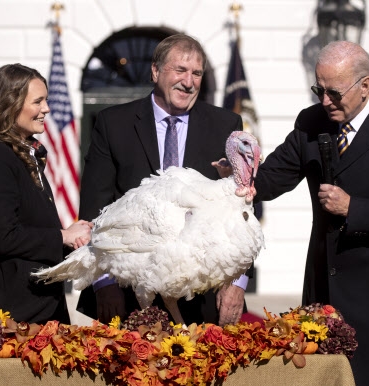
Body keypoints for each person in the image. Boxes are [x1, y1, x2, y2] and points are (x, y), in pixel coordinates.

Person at [247, 41, 369, 386]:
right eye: (319, 89)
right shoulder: (312, 122)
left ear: (364, 85)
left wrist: (354, 208)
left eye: (334, 92)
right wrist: (239, 177)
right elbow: (272, 178)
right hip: (324, 298)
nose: (324, 101)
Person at [76, 34, 252, 327]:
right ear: (155, 71)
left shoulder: (225, 126)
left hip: (202, 296)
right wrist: (103, 281)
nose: (189, 81)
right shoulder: (113, 124)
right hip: (128, 294)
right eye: (180, 70)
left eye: (196, 73)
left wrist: (238, 281)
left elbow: (241, 210)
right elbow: (96, 207)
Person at [0, 63, 93, 325]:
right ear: (11, 104)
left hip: (41, 309)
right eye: (38, 101)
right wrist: (63, 236)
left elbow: (30, 226)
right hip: (13, 317)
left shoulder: (26, 154)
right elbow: (3, 235)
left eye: (45, 100)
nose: (46, 109)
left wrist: (70, 235)